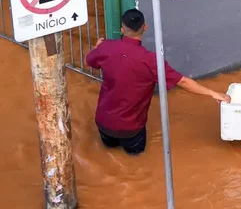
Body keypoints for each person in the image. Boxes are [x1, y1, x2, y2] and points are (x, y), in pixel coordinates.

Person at [86, 9, 230, 155]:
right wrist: (213, 93)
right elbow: (183, 82)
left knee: (108, 154)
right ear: (145, 27)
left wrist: (97, 47)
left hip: (104, 123)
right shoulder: (151, 61)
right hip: (131, 129)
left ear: (122, 29)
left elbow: (89, 60)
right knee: (135, 159)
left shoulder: (106, 47)